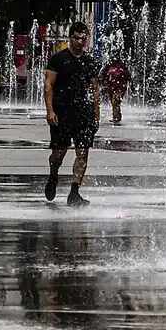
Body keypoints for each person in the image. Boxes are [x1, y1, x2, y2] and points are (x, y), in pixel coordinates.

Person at [44, 22, 101, 206]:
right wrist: (50, 111)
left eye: (84, 38)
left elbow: (95, 90)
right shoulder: (58, 59)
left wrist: (96, 116)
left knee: (83, 153)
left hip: (83, 113)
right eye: (77, 37)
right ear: (70, 37)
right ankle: (54, 174)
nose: (80, 41)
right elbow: (48, 86)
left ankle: (74, 192)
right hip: (62, 112)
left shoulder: (90, 62)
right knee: (59, 154)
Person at [100, 55, 131, 124]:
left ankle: (116, 117)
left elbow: (128, 76)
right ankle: (116, 116)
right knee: (114, 102)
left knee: (115, 100)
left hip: (120, 87)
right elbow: (102, 75)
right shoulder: (108, 66)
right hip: (111, 87)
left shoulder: (122, 65)